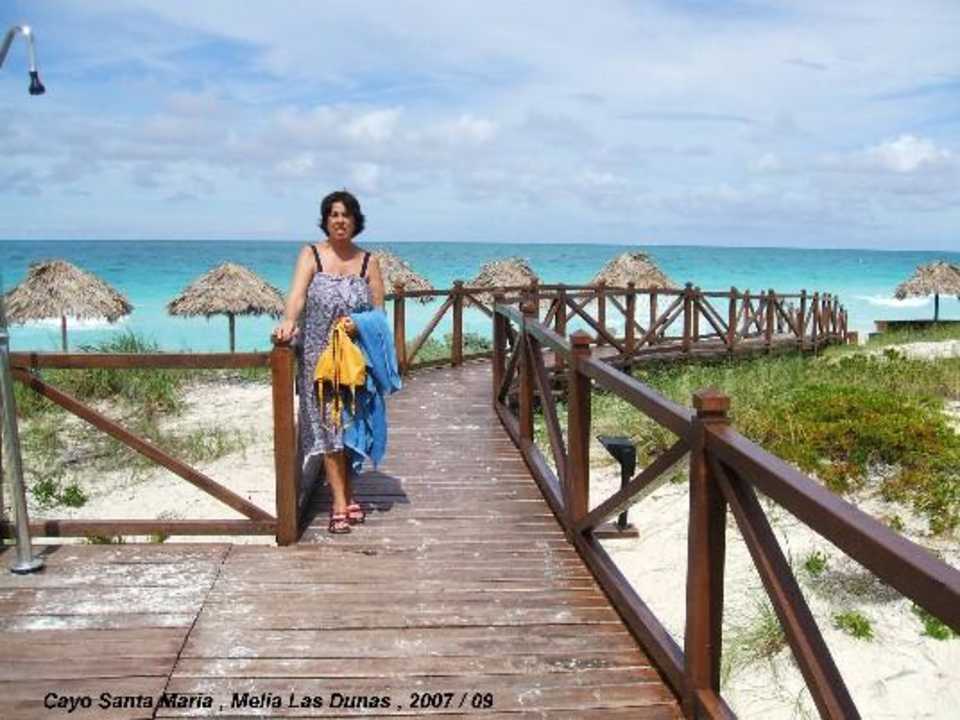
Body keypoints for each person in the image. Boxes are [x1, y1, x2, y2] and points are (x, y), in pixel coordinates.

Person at [274, 190, 385, 534]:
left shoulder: (369, 262)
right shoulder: (311, 255)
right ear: (326, 220)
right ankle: (339, 503)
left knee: (351, 429)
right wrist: (288, 321)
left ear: (356, 222)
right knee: (328, 429)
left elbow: (379, 315)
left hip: (355, 361)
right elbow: (296, 294)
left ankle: (348, 495)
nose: (340, 220)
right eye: (334, 214)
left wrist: (359, 324)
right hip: (317, 358)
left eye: (346, 215)